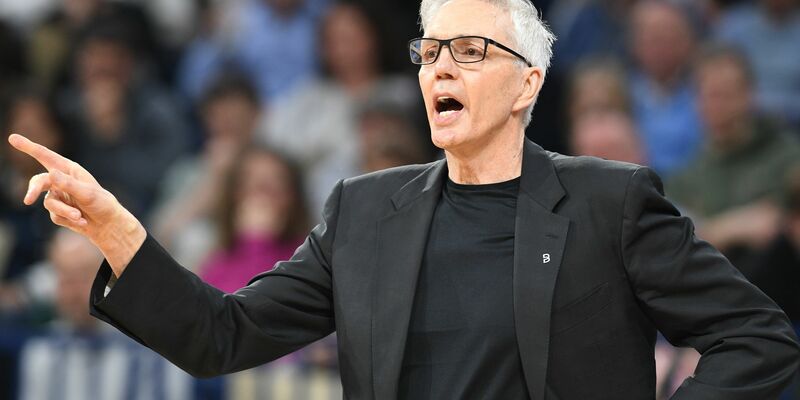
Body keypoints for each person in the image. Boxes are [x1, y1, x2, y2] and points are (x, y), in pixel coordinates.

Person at [7, 0, 799, 399]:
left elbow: (758, 338)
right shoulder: (362, 211)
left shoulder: (609, 201)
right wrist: (115, 230)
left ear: (529, 83)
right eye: (429, 52)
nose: (439, 69)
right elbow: (224, 335)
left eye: (468, 51)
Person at [667, 45, 800, 272]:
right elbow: (677, 243)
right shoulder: (687, 175)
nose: (719, 106)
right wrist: (727, 228)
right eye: (711, 95)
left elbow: (777, 224)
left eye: (728, 95)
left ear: (750, 95)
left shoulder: (787, 155)